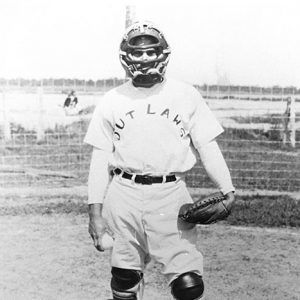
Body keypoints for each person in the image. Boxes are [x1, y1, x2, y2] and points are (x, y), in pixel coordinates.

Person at [84, 21, 235, 300]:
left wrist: (228, 189)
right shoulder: (112, 99)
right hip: (123, 193)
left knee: (188, 284)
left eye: (151, 52)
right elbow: (99, 159)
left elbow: (207, 146)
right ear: (125, 57)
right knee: (125, 277)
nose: (144, 59)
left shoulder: (185, 95)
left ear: (162, 54)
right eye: (137, 53)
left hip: (170, 193)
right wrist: (95, 212)